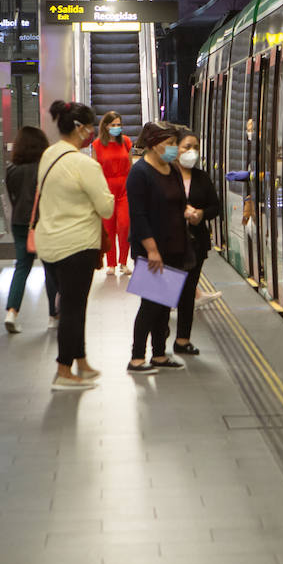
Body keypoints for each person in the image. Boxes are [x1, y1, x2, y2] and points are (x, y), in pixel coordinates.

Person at [33, 100, 114, 390]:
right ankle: (63, 371)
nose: (93, 131)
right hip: (77, 245)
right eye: (90, 126)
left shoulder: (48, 155)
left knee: (71, 303)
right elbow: (106, 208)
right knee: (73, 307)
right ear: (79, 128)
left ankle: (80, 360)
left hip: (50, 243)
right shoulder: (84, 164)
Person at [125, 121, 193, 374]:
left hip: (175, 246)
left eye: (176, 143)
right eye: (171, 143)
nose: (175, 148)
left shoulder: (172, 169)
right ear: (154, 143)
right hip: (152, 249)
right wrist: (151, 249)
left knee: (165, 304)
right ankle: (136, 358)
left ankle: (160, 354)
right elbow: (139, 215)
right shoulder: (139, 173)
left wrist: (190, 212)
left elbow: (178, 203)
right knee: (150, 304)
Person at [173, 130, 220, 354]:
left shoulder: (202, 178)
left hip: (195, 243)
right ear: (176, 149)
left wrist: (201, 214)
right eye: (187, 147)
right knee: (162, 293)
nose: (192, 152)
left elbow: (215, 206)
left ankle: (182, 340)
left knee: (188, 291)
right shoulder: (166, 175)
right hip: (168, 243)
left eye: (195, 148)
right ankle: (157, 341)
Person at [3, 125, 53, 334]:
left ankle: (11, 313)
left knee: (22, 267)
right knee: (51, 269)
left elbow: (12, 197)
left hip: (18, 222)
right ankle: (54, 316)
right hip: (41, 222)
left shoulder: (11, 169)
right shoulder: (43, 168)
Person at [92, 111, 134, 275]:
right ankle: (111, 264)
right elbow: (95, 169)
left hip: (124, 188)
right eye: (113, 125)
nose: (116, 128)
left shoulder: (126, 142)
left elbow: (130, 165)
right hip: (106, 189)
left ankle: (123, 261)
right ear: (106, 126)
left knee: (124, 225)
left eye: (118, 125)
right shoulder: (97, 144)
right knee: (108, 228)